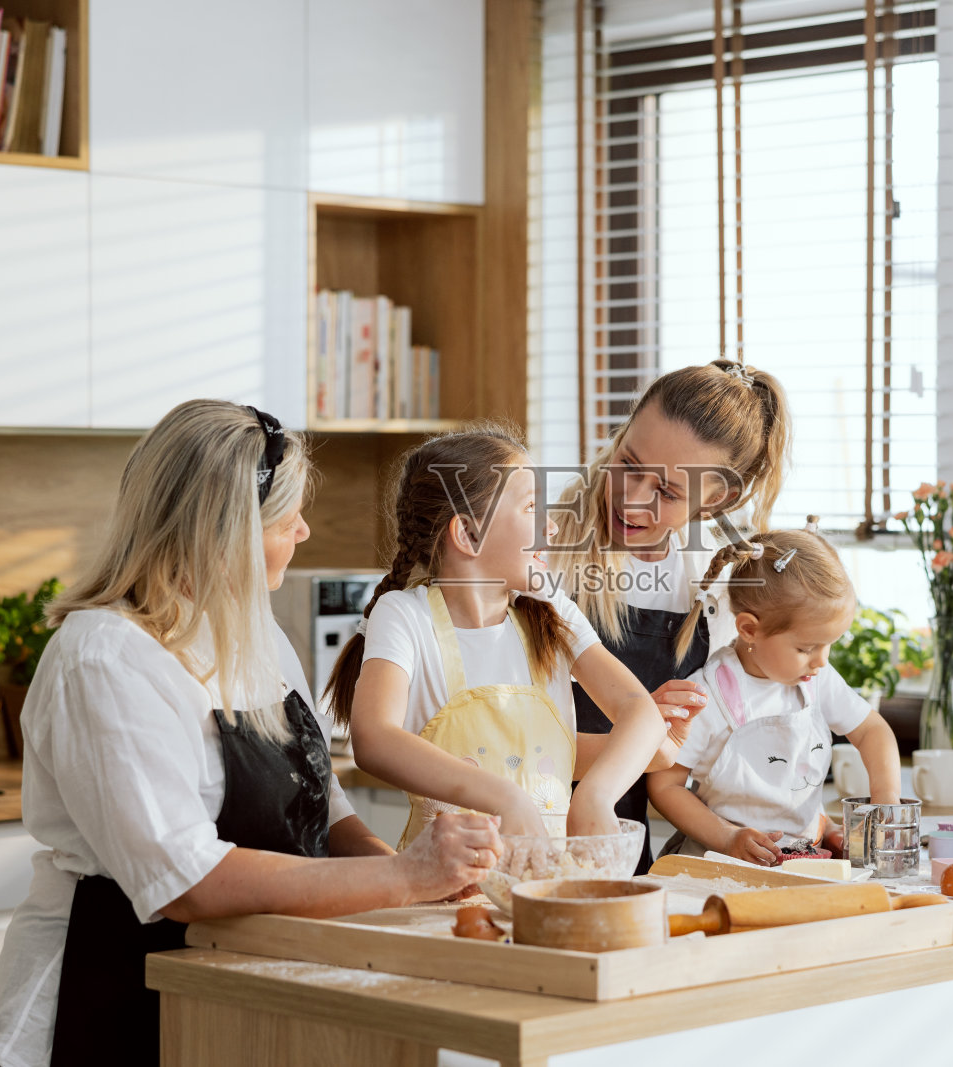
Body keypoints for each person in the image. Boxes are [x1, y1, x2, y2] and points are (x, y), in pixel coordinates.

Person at [0, 400, 499, 1067]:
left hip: (247, 994)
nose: (305, 530)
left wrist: (427, 878)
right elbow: (184, 880)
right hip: (113, 997)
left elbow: (322, 808)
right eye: (287, 518)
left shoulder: (256, 633)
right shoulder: (104, 656)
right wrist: (403, 875)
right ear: (220, 530)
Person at [327, 425, 694, 845]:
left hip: (548, 880)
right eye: (531, 508)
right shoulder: (405, 616)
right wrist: (508, 800)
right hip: (449, 893)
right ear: (467, 534)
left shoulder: (551, 611)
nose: (551, 527)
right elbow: (374, 739)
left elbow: (639, 711)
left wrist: (595, 796)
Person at [548, 358, 794, 871]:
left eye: (666, 491)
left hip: (623, 855)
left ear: (716, 499)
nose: (632, 501)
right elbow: (492, 743)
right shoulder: (543, 555)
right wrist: (640, 737)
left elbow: (704, 759)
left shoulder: (712, 584)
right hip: (528, 840)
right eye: (629, 463)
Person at [648, 529, 902, 864]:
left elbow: (873, 732)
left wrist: (884, 804)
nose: (822, 660)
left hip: (804, 860)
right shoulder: (707, 696)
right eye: (806, 647)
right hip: (723, 862)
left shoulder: (815, 678)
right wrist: (727, 837)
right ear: (749, 629)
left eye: (829, 645)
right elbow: (665, 787)